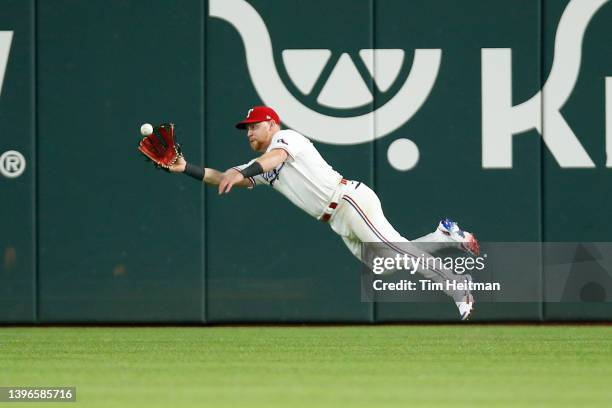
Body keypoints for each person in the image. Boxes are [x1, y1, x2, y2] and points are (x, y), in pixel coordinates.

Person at [167, 106, 479, 320]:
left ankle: (458, 285)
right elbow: (223, 178)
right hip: (338, 220)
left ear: (272, 124)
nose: (249, 132)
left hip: (349, 200)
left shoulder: (285, 139)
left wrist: (243, 172)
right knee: (386, 266)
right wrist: (184, 168)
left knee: (399, 251)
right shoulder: (261, 167)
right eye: (246, 129)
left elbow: (276, 157)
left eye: (254, 126)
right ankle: (443, 234)